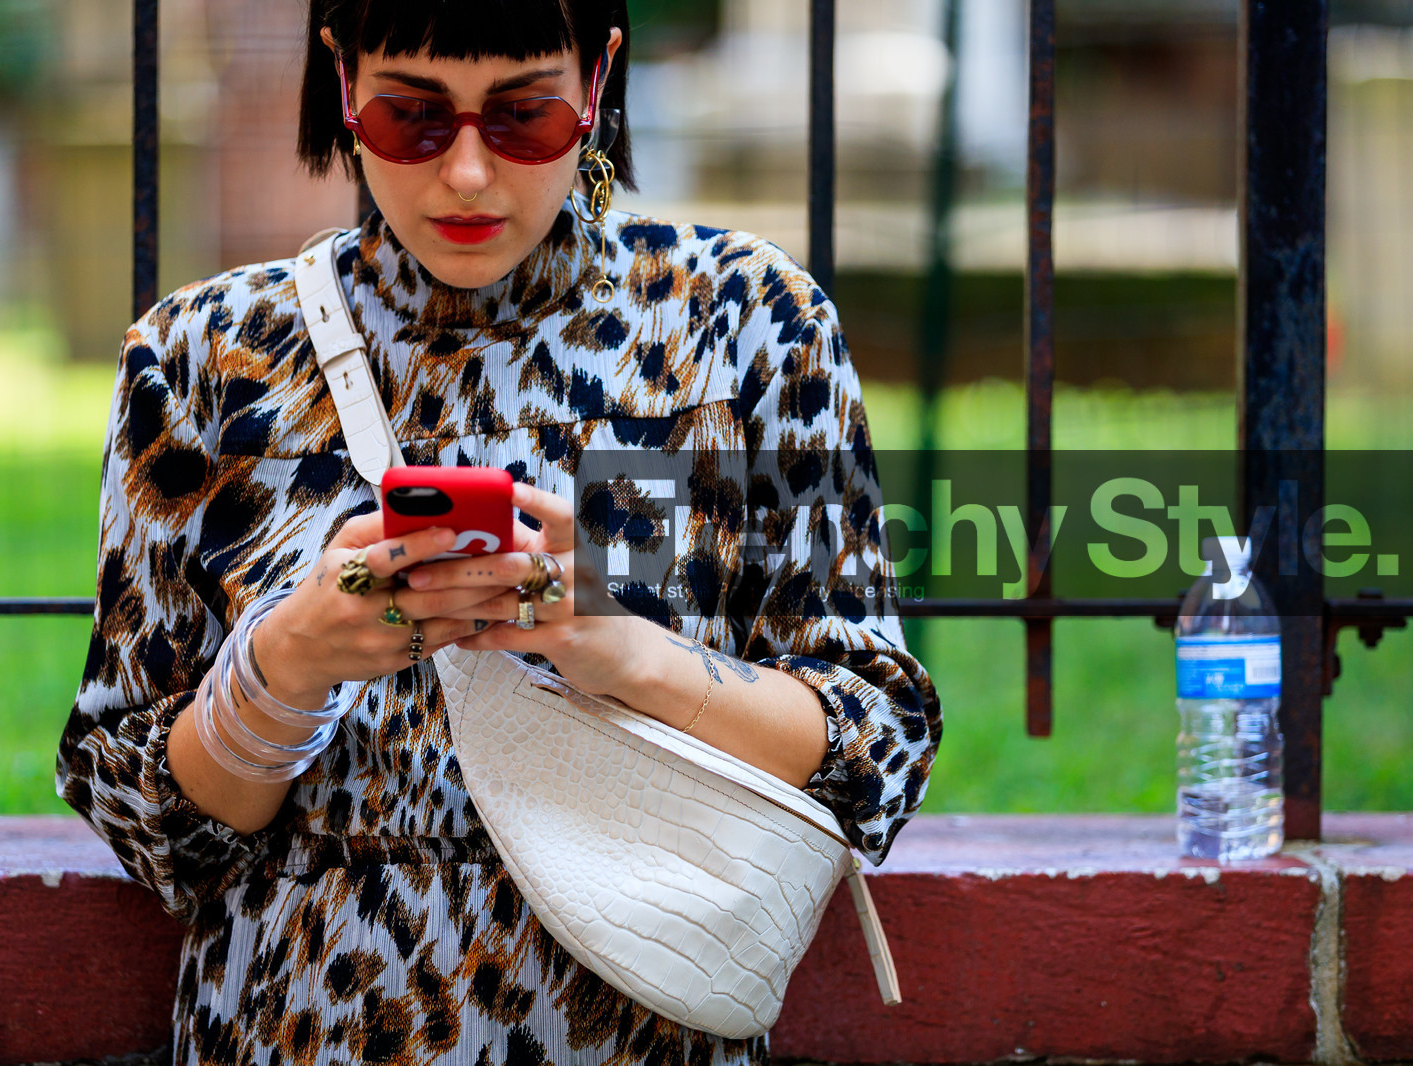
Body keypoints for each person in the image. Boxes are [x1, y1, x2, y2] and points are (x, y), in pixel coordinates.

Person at [57, 1, 942, 1062]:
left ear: (596, 82)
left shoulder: (742, 327)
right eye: (413, 117)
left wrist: (627, 653)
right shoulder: (206, 358)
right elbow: (144, 824)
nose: (468, 174)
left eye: (524, 116)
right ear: (343, 82)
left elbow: (877, 749)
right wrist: (285, 666)